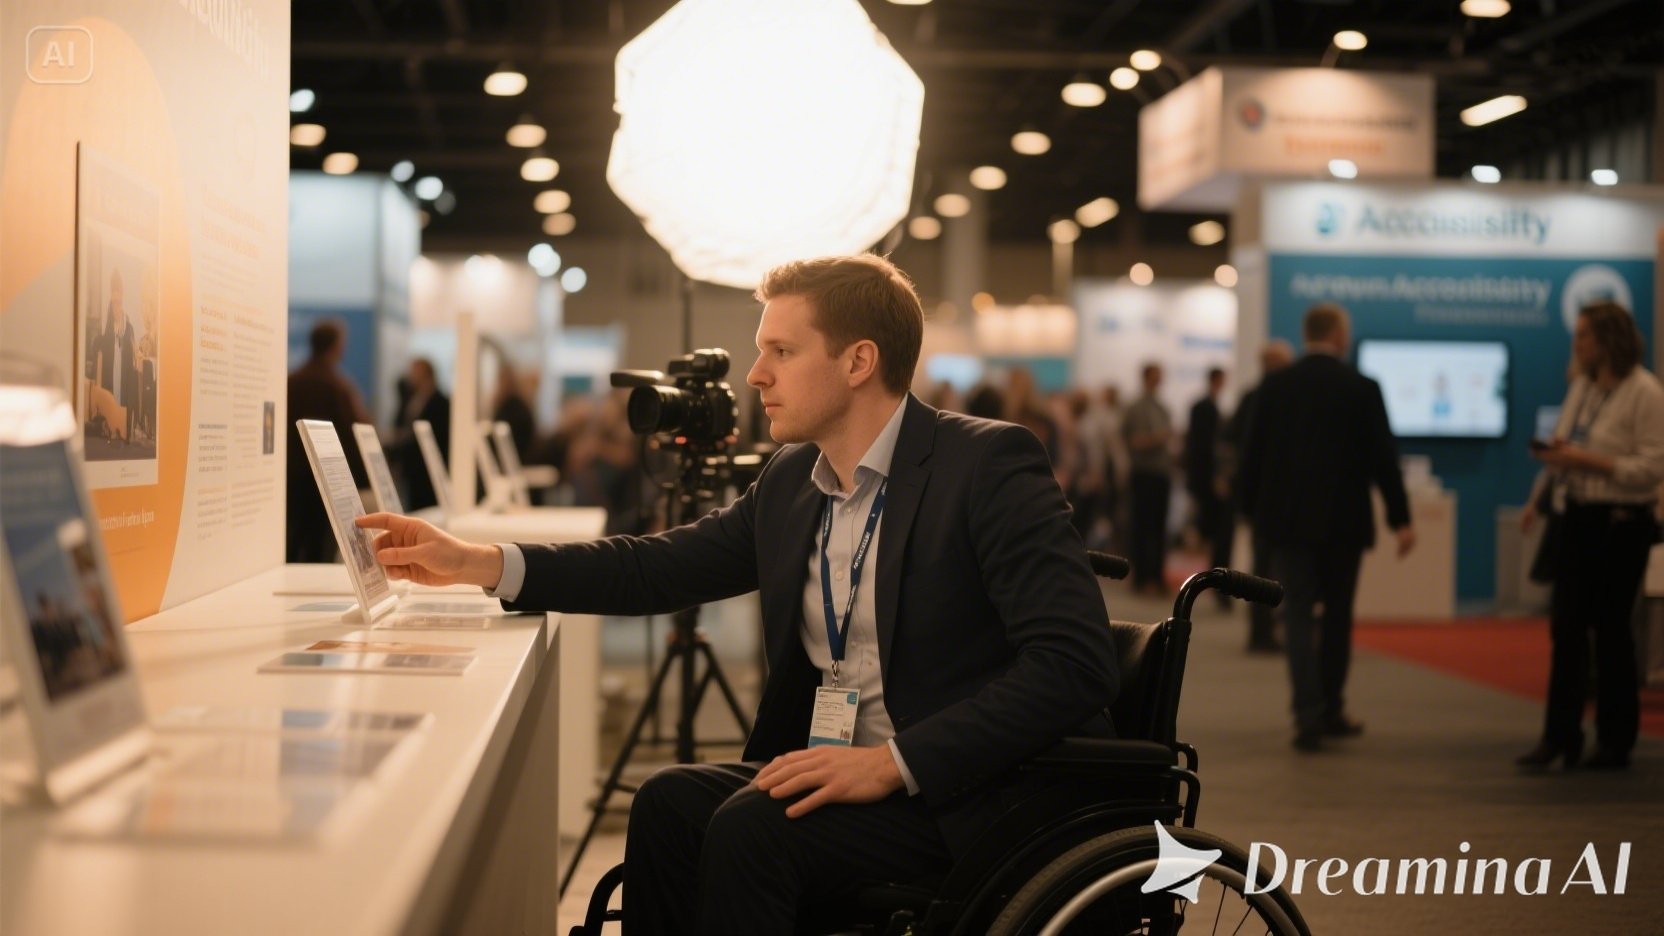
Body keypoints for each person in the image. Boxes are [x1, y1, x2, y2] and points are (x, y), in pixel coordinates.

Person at [355, 253, 1118, 934]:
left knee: (752, 830)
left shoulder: (985, 466)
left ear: (858, 362)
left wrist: (894, 762)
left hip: (970, 792)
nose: (756, 375)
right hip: (845, 767)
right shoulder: (794, 481)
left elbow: (1074, 664)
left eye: (780, 351)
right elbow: (653, 567)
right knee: (667, 803)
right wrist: (484, 562)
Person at [1236, 304, 1414, 752]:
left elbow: (1252, 455)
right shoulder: (1362, 387)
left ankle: (1307, 714)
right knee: (1337, 617)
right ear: (1337, 334)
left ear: (1306, 333)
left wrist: (1249, 513)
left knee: (1296, 615)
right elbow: (1383, 459)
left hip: (1289, 524)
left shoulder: (1275, 387)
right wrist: (1401, 518)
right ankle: (1332, 707)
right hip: (1344, 524)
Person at [1519, 300, 1664, 771]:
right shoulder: (1581, 387)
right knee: (1565, 630)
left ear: (1608, 339)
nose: (1576, 343)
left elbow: (1651, 469)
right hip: (1576, 517)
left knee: (1612, 631)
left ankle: (1615, 739)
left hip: (1622, 523)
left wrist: (1588, 461)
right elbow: (1566, 445)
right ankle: (1559, 736)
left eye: (1584, 334)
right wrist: (1540, 497)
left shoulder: (1645, 392)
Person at [1225, 341, 1294, 652]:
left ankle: (1266, 631)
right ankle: (1262, 632)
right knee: (1267, 568)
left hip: (1265, 501)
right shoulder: (1264, 399)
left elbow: (1243, 451)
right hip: (1271, 502)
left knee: (1267, 567)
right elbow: (1246, 453)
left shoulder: (1252, 397)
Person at [286, 320, 371, 562]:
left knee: (293, 542)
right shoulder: (338, 386)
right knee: (320, 547)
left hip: (293, 479)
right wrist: (363, 481)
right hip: (326, 480)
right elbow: (351, 433)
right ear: (336, 346)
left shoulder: (293, 381)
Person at [1122, 362, 1174, 595]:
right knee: (1142, 526)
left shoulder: (1162, 407)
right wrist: (1157, 438)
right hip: (1144, 473)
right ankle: (1142, 577)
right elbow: (1132, 441)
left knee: (1159, 527)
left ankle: (1156, 575)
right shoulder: (1135, 408)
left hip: (1161, 473)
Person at [1184, 366, 1231, 600]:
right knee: (1211, 529)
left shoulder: (1206, 407)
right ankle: (1211, 579)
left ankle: (1212, 578)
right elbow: (1203, 448)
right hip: (1208, 481)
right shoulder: (1205, 409)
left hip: (1204, 479)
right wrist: (1214, 478)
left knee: (1208, 529)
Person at [391, 358, 450, 511]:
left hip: (429, 470)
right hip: (413, 468)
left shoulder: (441, 401)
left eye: (415, 371)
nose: (411, 375)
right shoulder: (411, 398)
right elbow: (400, 423)